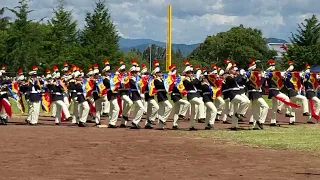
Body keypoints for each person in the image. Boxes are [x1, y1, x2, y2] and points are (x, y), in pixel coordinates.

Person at [284, 60, 310, 125]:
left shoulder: (287, 77)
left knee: (292, 108)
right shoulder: (289, 77)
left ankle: (291, 121)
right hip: (293, 92)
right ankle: (305, 111)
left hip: (292, 92)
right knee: (304, 99)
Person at [246, 59, 268, 130]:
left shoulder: (253, 77)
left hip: (255, 94)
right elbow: (258, 85)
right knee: (265, 106)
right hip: (255, 94)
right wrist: (263, 77)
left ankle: (255, 126)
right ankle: (261, 121)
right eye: (259, 73)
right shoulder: (253, 77)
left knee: (256, 111)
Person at [183, 60, 204, 130]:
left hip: (195, 95)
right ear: (186, 74)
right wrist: (196, 78)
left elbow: (198, 85)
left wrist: (200, 80)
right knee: (201, 103)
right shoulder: (185, 80)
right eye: (189, 73)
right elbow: (190, 84)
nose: (191, 74)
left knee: (193, 112)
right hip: (191, 96)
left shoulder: (193, 79)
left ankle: (192, 126)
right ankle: (201, 116)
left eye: (192, 72)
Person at [153, 60, 172, 130]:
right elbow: (159, 86)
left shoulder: (162, 80)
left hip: (163, 94)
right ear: (156, 74)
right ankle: (163, 119)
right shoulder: (156, 80)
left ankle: (160, 126)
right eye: (159, 72)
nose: (161, 73)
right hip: (160, 95)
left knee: (162, 110)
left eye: (160, 72)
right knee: (170, 106)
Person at [171, 64, 190, 129]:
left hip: (178, 96)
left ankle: (175, 124)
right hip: (175, 95)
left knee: (176, 111)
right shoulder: (178, 79)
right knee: (187, 103)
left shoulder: (181, 79)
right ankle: (182, 114)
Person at [128, 60, 144, 129]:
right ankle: (135, 121)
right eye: (134, 72)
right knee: (141, 108)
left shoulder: (137, 79)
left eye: (136, 72)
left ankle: (135, 122)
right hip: (134, 94)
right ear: (131, 73)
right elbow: (134, 86)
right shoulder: (131, 79)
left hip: (137, 94)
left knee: (137, 108)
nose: (135, 73)